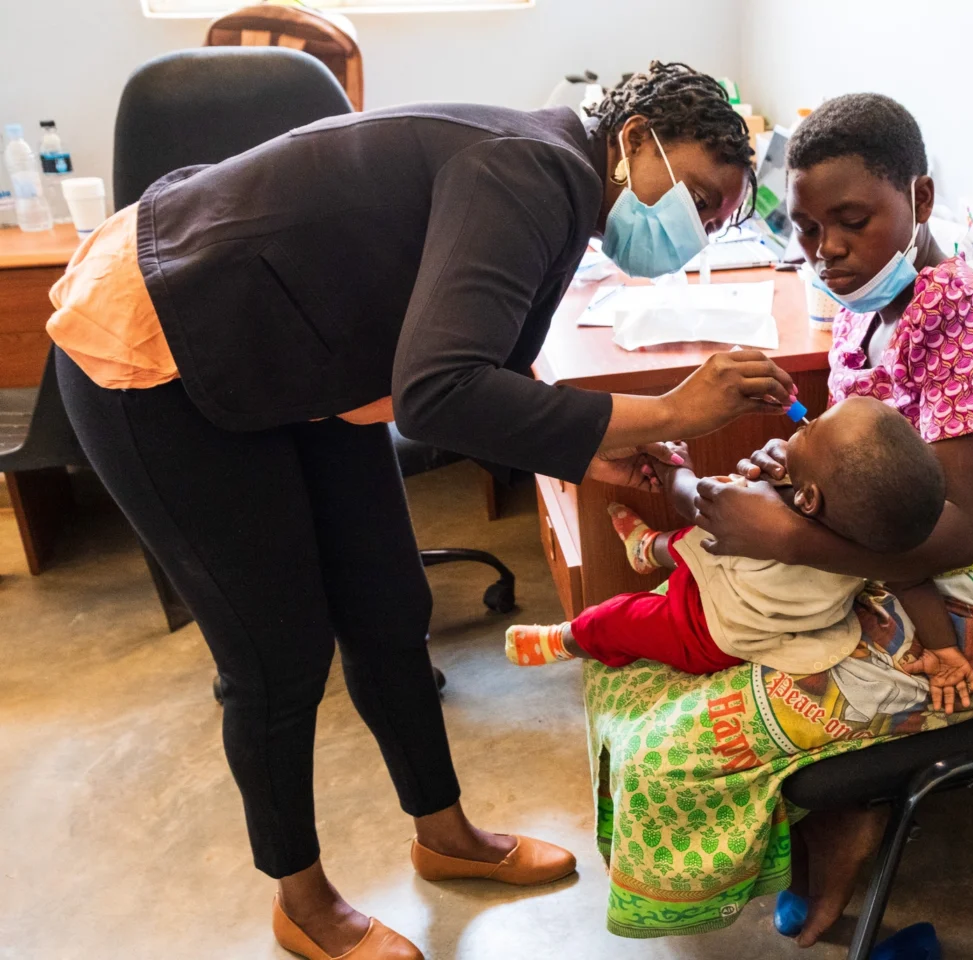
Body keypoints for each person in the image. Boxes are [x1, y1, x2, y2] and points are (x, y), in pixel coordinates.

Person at [46, 62, 796, 960]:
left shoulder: (559, 190)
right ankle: (302, 898)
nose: (700, 227)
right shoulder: (535, 168)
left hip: (294, 361)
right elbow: (442, 392)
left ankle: (445, 836)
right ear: (633, 138)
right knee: (275, 656)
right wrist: (674, 410)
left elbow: (475, 368)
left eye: (720, 217)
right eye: (701, 197)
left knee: (388, 609)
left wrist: (589, 445)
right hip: (156, 346)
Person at [580, 92, 973, 948]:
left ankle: (843, 824)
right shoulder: (863, 312)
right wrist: (790, 467)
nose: (827, 250)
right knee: (671, 645)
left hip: (965, 604)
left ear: (918, 200)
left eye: (850, 221)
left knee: (679, 746)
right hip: (878, 566)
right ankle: (840, 812)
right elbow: (862, 474)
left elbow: (954, 533)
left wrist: (786, 532)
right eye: (805, 229)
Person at [505, 397, 973, 708]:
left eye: (810, 431)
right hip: (727, 570)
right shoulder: (867, 532)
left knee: (627, 617)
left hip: (709, 628)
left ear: (809, 498)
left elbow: (693, 500)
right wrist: (945, 649)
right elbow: (913, 580)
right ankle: (648, 547)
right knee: (698, 550)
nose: (804, 422)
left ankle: (567, 638)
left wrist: (675, 467)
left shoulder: (767, 511)